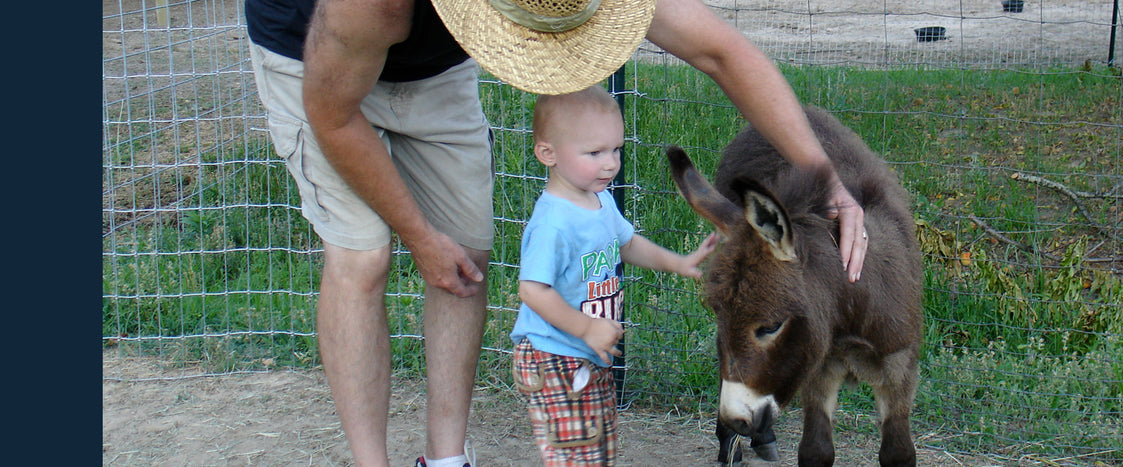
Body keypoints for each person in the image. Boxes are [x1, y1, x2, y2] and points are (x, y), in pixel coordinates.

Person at [244, 0, 869, 466]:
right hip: (316, 61)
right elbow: (332, 115)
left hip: (433, 64)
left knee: (464, 257)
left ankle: (445, 458)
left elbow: (721, 51)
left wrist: (829, 180)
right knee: (364, 259)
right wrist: (417, 235)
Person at [511, 85, 718, 465]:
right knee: (576, 455)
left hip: (589, 354)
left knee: (598, 447)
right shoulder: (553, 223)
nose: (610, 164)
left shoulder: (599, 200)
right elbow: (532, 290)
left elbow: (626, 243)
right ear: (547, 153)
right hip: (554, 356)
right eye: (594, 153)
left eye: (615, 149)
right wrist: (586, 328)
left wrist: (679, 262)